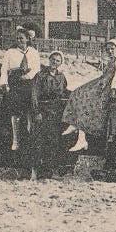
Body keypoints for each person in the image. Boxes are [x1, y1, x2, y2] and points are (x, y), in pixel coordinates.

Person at [62, 38, 116, 152]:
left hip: (108, 88)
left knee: (87, 101)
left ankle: (80, 134)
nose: (110, 51)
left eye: (112, 49)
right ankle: (76, 127)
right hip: (102, 84)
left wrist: (111, 89)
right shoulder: (111, 61)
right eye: (108, 49)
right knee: (77, 92)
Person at [27, 50, 69, 179]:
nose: (54, 62)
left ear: (60, 63)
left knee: (53, 141)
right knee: (38, 141)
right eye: (53, 60)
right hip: (42, 110)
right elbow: (34, 95)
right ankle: (34, 171)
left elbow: (64, 92)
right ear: (49, 60)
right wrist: (37, 112)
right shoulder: (40, 75)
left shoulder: (61, 77)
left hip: (55, 112)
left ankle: (51, 171)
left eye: (57, 61)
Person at [0, 27, 41, 151]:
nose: (19, 40)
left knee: (31, 107)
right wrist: (4, 83)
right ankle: (15, 139)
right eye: (17, 38)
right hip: (15, 81)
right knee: (15, 109)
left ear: (27, 39)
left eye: (21, 38)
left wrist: (27, 76)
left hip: (30, 81)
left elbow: (36, 68)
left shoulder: (33, 52)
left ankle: (30, 137)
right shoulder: (10, 52)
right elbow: (4, 69)